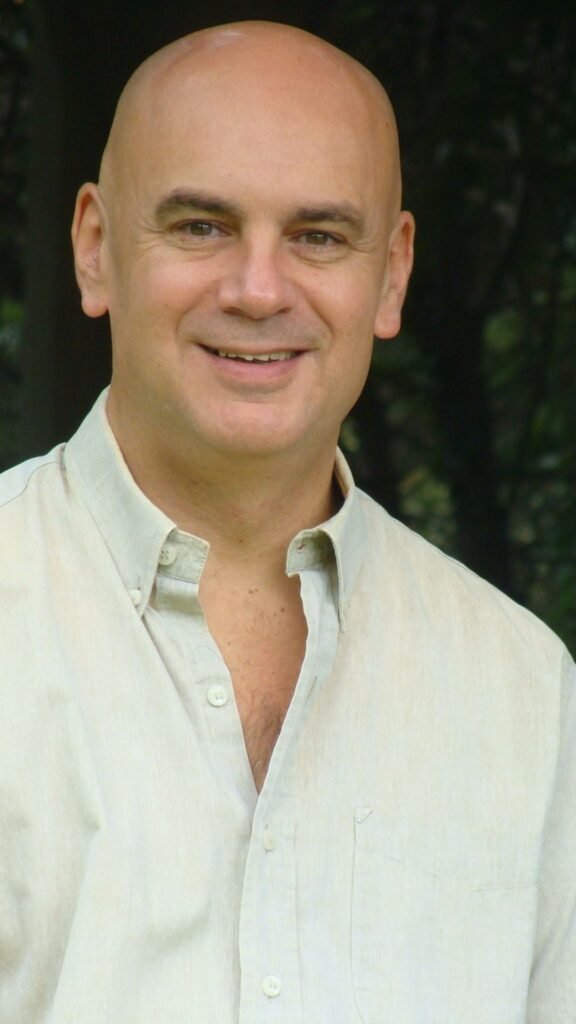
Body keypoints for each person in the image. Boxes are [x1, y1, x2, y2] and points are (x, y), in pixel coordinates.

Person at [0, 20, 574, 1023]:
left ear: (391, 274)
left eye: (318, 236)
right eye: (201, 226)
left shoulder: (523, 691)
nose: (258, 290)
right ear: (94, 249)